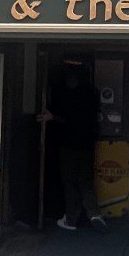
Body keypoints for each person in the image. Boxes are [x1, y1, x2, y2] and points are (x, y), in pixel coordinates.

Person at [39, 65, 107, 232]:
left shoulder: (65, 96)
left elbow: (69, 119)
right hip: (87, 145)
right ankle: (94, 214)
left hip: (69, 145)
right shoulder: (92, 94)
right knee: (86, 182)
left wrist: (51, 117)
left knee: (69, 182)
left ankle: (71, 218)